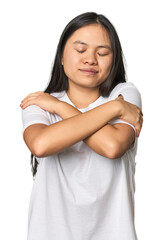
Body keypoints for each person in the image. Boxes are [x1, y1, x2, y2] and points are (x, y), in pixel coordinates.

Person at [20, 12, 143, 240]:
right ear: (62, 57)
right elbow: (40, 144)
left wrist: (59, 107)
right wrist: (114, 109)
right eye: (80, 50)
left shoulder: (124, 94)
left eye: (103, 52)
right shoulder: (39, 104)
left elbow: (112, 146)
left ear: (113, 60)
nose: (90, 59)